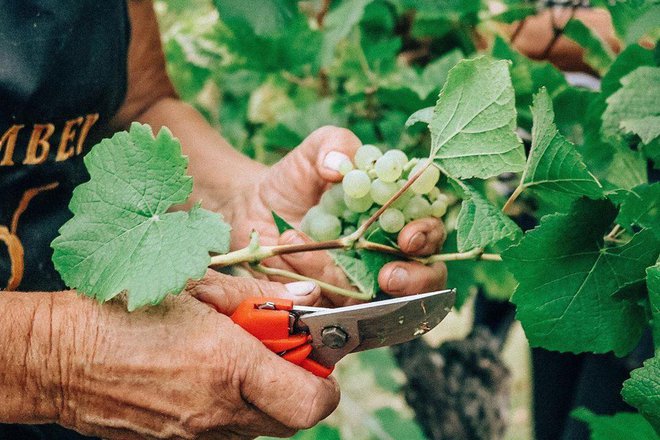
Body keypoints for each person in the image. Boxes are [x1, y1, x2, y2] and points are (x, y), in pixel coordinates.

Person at [0, 1, 447, 439]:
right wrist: (54, 358)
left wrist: (239, 205)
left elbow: (139, 104)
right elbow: (60, 357)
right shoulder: (66, 362)